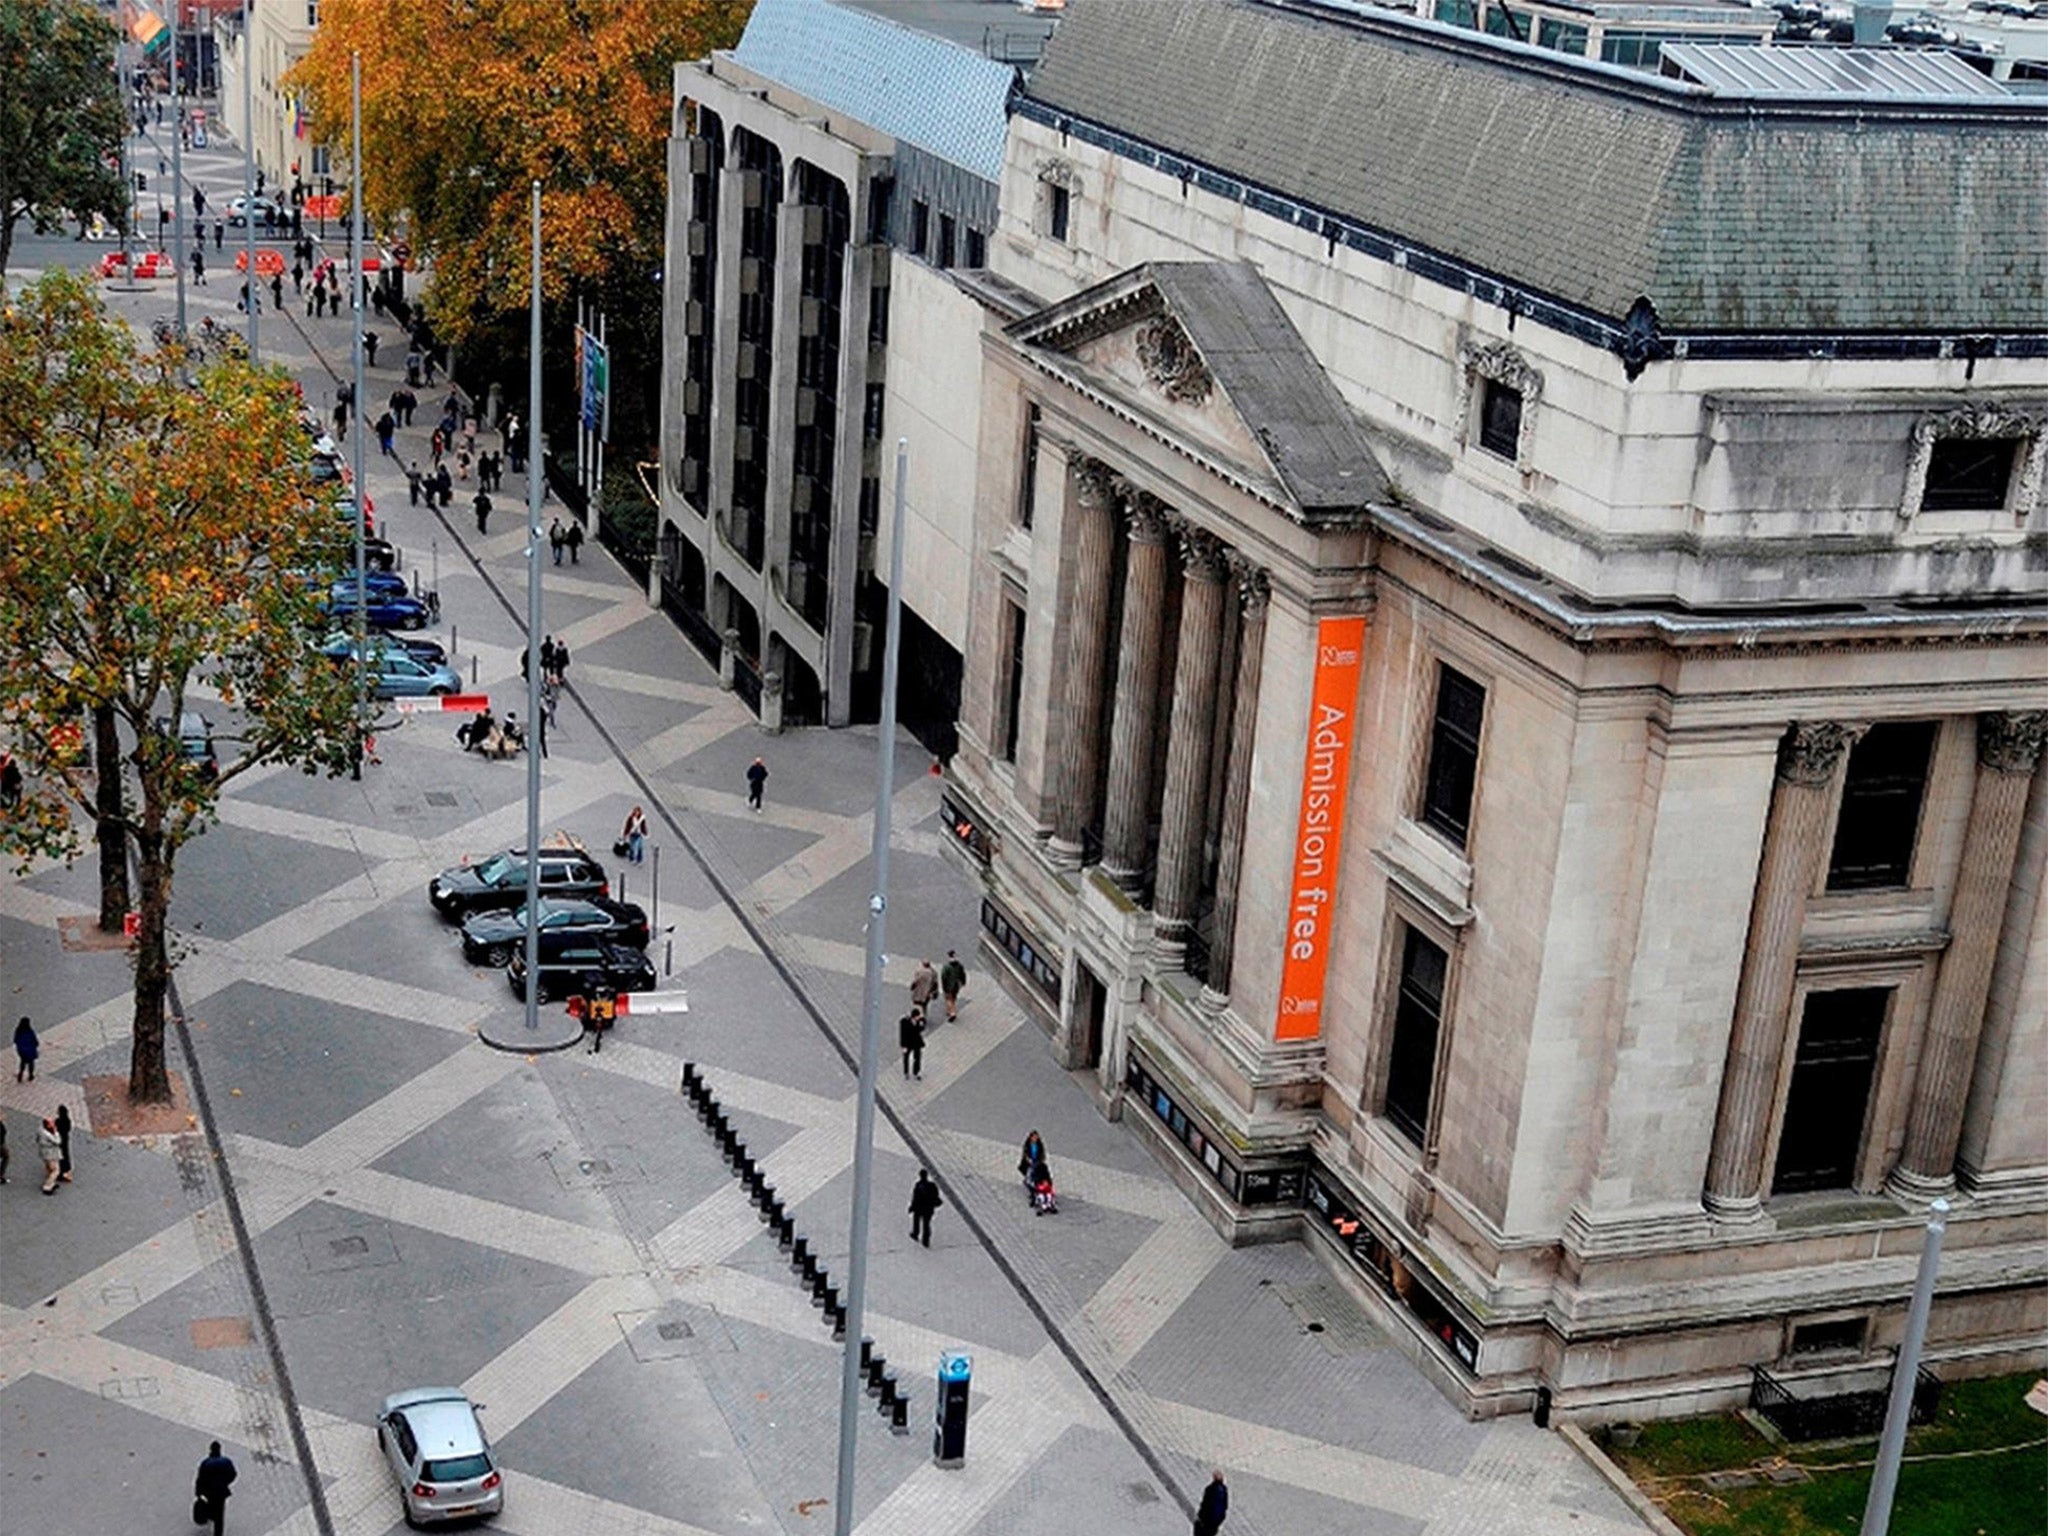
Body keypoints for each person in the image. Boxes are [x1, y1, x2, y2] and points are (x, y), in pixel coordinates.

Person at [194, 1442, 238, 1535]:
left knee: (210, 1506)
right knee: (220, 1514)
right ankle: (218, 1532)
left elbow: (201, 1479)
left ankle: (210, 1516)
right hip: (221, 1492)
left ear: (211, 1449)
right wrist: (225, 1483)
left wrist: (199, 1492)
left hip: (209, 1492)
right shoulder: (226, 1461)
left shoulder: (206, 1463)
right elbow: (233, 1475)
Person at [908, 1169, 942, 1247]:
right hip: (928, 1208)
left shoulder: (918, 1185)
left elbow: (915, 1198)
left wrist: (912, 1207)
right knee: (926, 1224)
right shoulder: (932, 1185)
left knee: (916, 1221)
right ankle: (926, 1240)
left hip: (919, 1208)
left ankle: (915, 1234)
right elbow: (936, 1196)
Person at [1192, 1471, 1229, 1536]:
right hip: (1214, 1524)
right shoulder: (1224, 1491)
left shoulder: (1210, 1489)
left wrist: (1200, 1518)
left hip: (1205, 1522)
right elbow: (1225, 1506)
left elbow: (1205, 1505)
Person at [36, 1116, 62, 1195]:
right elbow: (58, 1141)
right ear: (48, 1125)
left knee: (48, 1169)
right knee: (55, 1170)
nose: (54, 1124)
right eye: (52, 1123)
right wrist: (56, 1132)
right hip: (51, 1155)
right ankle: (47, 1186)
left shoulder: (40, 1130)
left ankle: (50, 1183)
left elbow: (37, 1139)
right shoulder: (48, 1134)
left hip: (44, 1153)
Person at [940, 950, 968, 1022]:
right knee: (954, 997)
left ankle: (952, 1012)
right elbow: (963, 974)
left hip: (949, 986)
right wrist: (963, 982)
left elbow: (944, 977)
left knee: (948, 999)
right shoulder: (959, 965)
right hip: (956, 985)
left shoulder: (946, 967)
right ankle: (949, 1010)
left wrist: (944, 986)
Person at [899, 1006, 925, 1080]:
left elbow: (922, 1028)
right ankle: (906, 1072)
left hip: (916, 1042)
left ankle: (916, 1072)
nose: (918, 1018)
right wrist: (903, 1045)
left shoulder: (920, 1021)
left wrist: (921, 1023)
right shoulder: (905, 1022)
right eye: (917, 1017)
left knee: (917, 1057)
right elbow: (902, 1034)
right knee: (906, 1058)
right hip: (908, 1043)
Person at [14, 1016, 37, 1082]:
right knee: (31, 1063)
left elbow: (15, 1040)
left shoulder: (18, 1031)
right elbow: (34, 1040)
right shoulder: (30, 1031)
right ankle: (30, 1075)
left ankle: (21, 1073)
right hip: (30, 1050)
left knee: (23, 1062)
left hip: (22, 1050)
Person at [54, 1103, 72, 1183]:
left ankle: (60, 1172)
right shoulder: (68, 1120)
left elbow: (55, 1130)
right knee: (65, 1153)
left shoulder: (57, 1121)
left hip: (59, 1139)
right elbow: (69, 1129)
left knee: (59, 1155)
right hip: (65, 1139)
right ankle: (67, 1168)